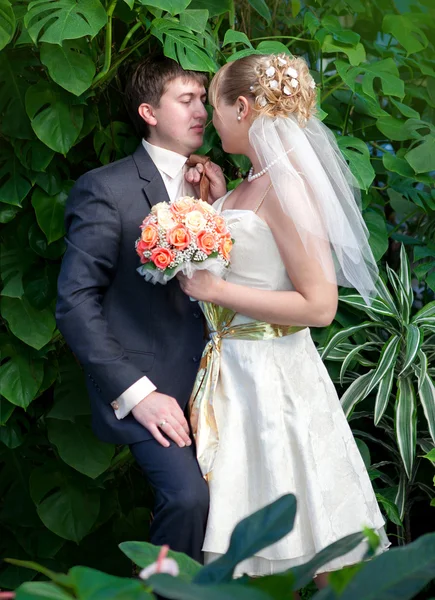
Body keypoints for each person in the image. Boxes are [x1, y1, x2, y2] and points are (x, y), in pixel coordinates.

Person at [179, 53, 390, 590]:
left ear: (242, 107)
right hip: (235, 378)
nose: (210, 118)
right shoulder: (250, 183)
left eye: (215, 105)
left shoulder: (286, 185)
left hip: (274, 379)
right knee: (244, 540)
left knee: (316, 533)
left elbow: (319, 306)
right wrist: (215, 203)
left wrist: (216, 289)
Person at [55, 55, 224, 562]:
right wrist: (138, 394)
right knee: (189, 499)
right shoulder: (107, 188)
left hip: (225, 381)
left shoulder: (217, 180)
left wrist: (218, 207)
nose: (202, 112)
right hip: (151, 387)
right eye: (186, 99)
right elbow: (74, 302)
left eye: (204, 100)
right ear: (149, 112)